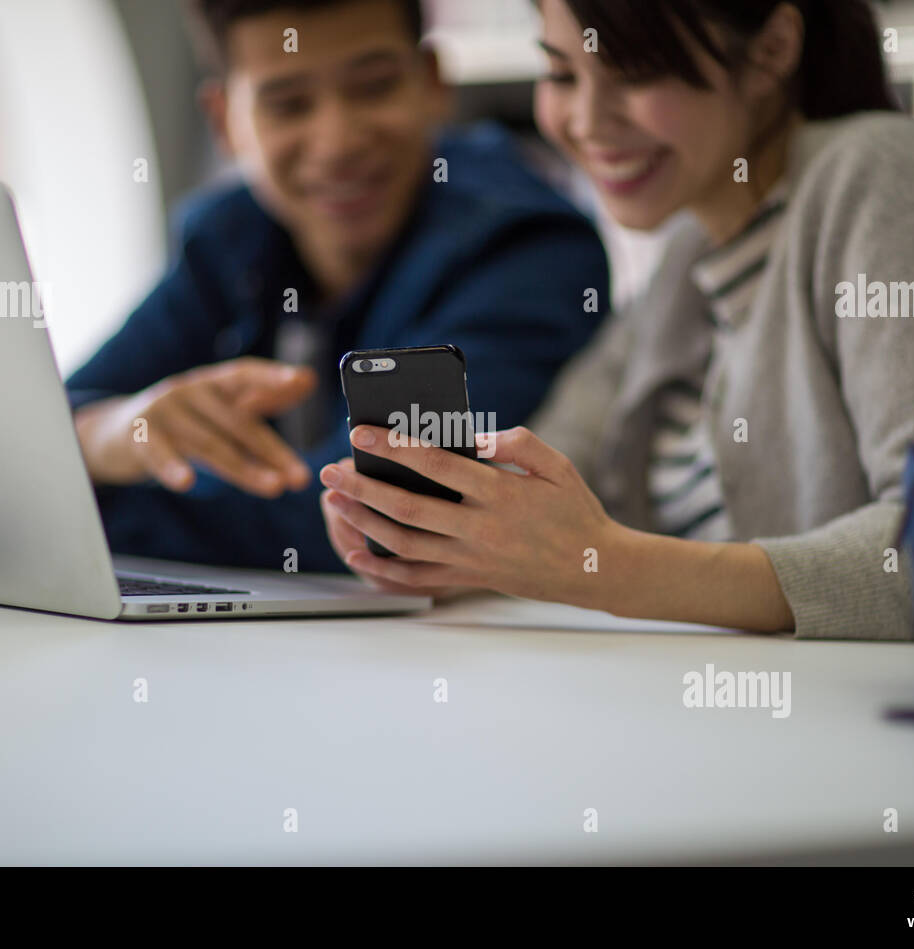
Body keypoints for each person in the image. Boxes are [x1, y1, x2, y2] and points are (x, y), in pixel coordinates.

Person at [318, 0, 914, 639]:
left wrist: (606, 567)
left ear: (771, 50)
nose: (585, 122)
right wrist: (450, 547)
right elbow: (558, 459)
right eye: (562, 75)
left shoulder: (885, 176)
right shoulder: (689, 252)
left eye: (635, 73)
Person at [66, 0, 610, 571]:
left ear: (432, 83)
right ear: (224, 119)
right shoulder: (227, 236)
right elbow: (47, 420)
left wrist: (76, 490)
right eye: (289, 105)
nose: (338, 143)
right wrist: (110, 434)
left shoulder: (525, 248)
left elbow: (366, 518)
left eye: (374, 88)